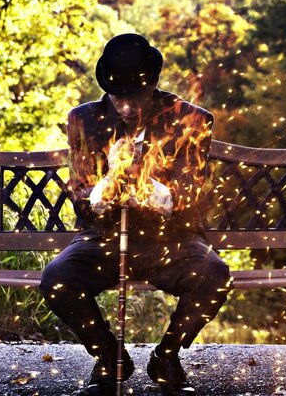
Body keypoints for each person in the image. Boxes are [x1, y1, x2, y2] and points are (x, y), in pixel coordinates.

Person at [40, 33, 231, 396]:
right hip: (104, 238)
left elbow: (191, 194)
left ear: (155, 84)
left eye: (136, 97)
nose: (126, 108)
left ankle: (167, 356)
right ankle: (110, 358)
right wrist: (107, 187)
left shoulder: (190, 120)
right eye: (118, 98)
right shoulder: (84, 120)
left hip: (171, 239)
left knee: (214, 275)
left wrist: (156, 193)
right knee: (57, 278)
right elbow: (80, 193)